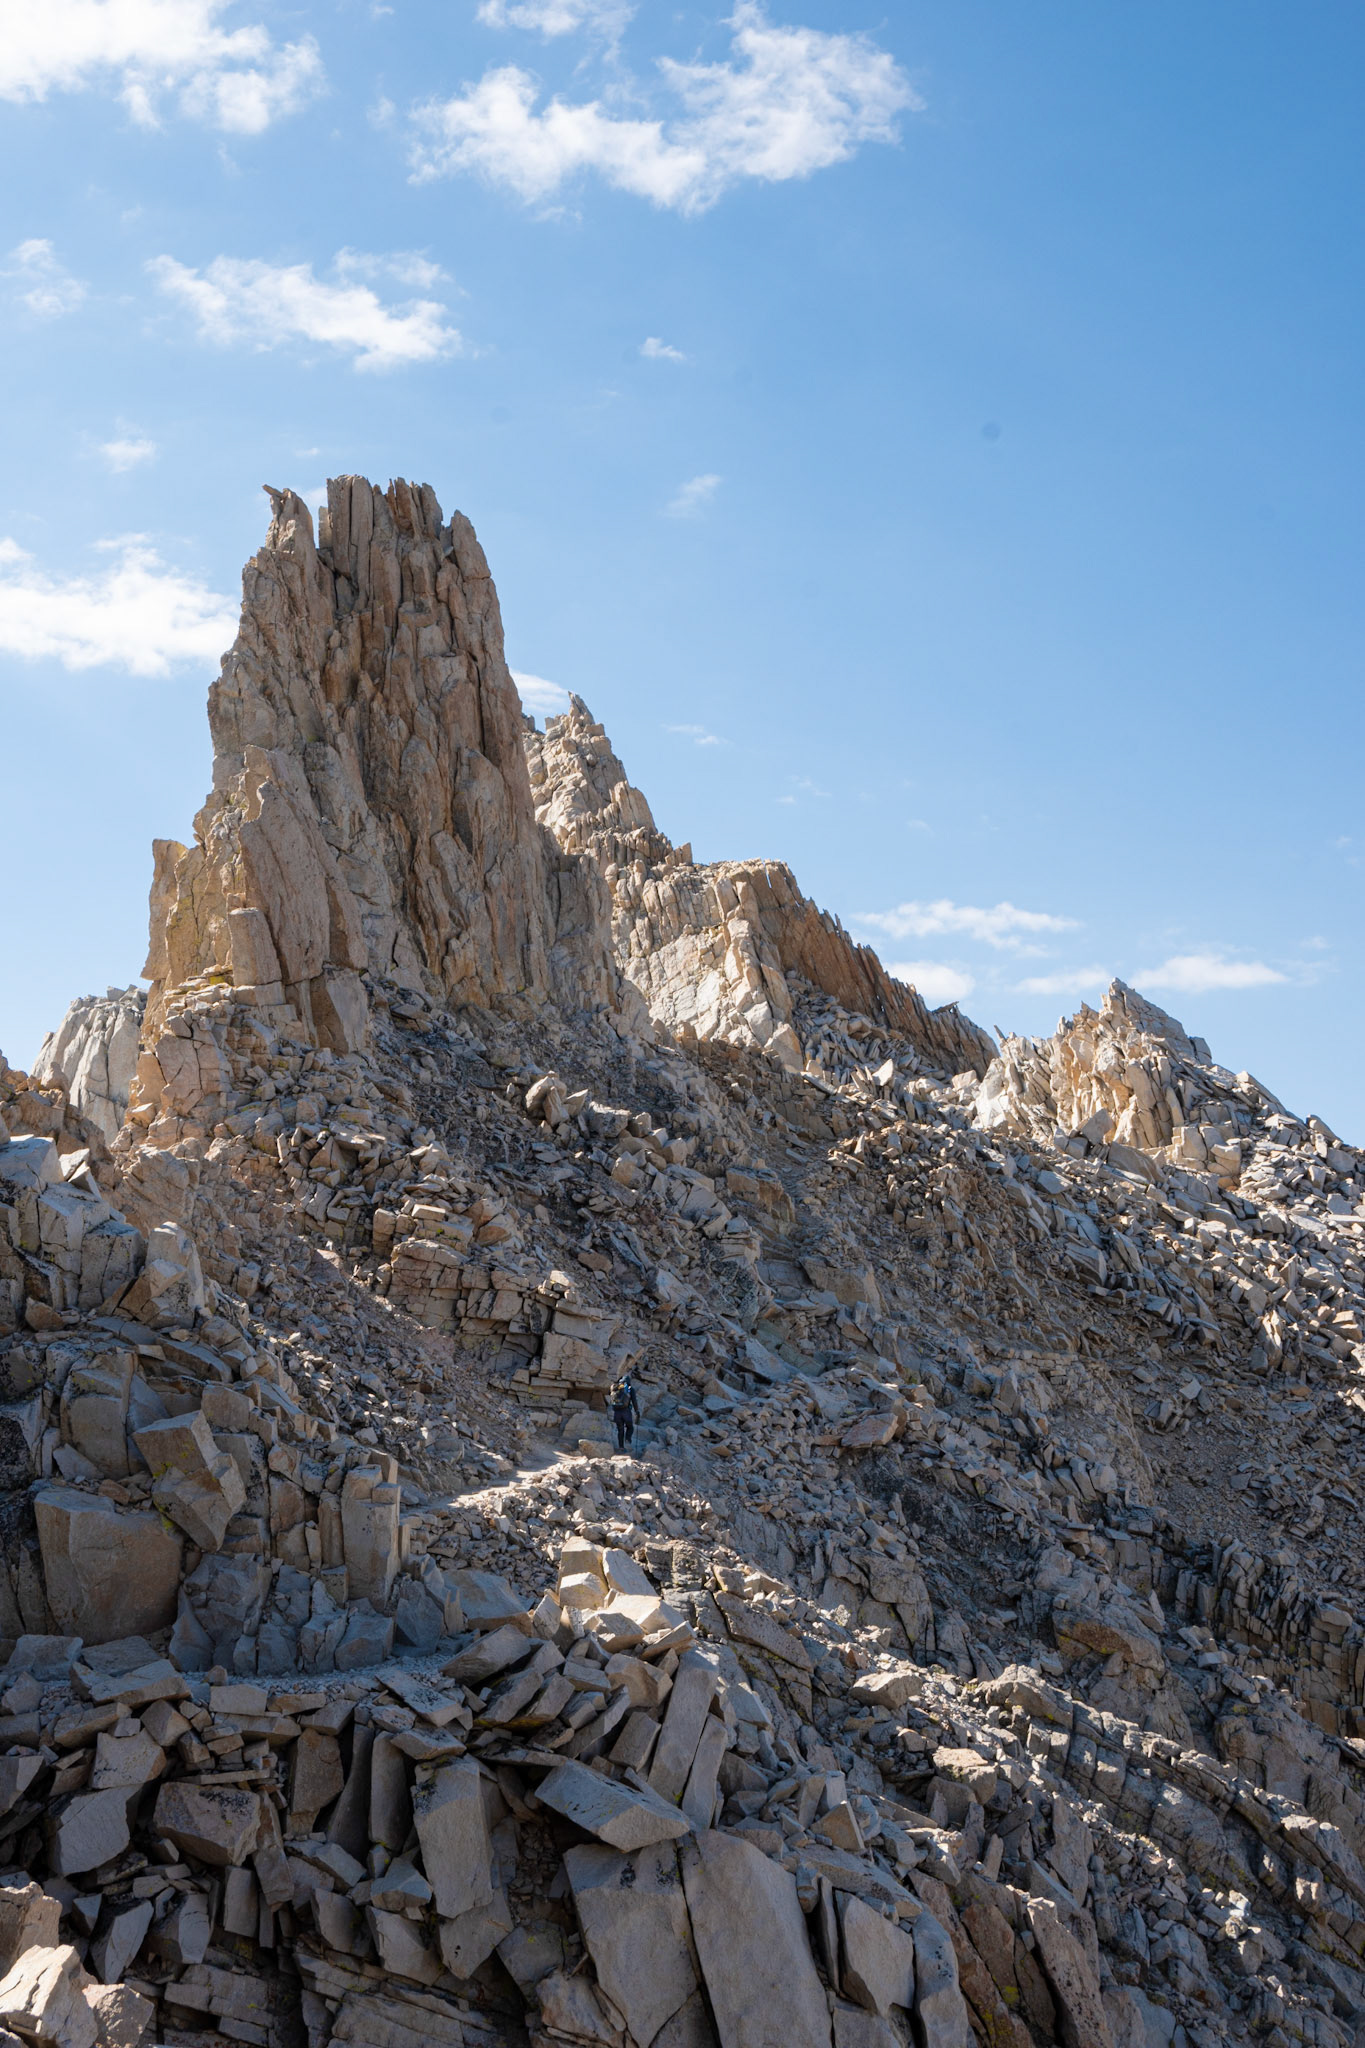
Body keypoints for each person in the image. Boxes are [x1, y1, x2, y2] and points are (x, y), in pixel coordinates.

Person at [611, 1374, 640, 1453]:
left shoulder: (616, 1388)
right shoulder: (630, 1389)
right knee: (630, 1427)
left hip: (616, 1412)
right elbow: (634, 1401)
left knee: (620, 1430)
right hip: (626, 1412)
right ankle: (627, 1440)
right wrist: (637, 1411)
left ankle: (621, 1448)